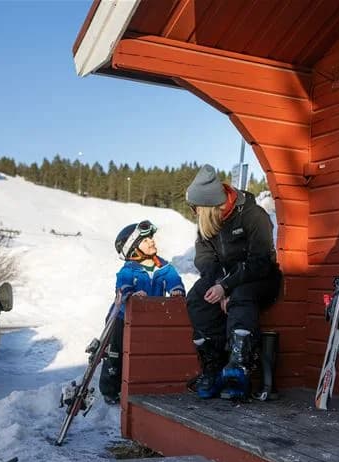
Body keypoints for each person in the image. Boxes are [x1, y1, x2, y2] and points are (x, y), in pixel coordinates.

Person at [185, 164, 282, 400]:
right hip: (225, 280)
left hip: (261, 278)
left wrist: (226, 287)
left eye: (196, 208)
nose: (194, 213)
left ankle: (239, 367)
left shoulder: (253, 215)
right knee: (197, 297)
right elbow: (205, 260)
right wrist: (220, 283)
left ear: (208, 205)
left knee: (241, 295)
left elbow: (260, 262)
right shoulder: (207, 225)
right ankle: (214, 366)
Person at [99, 219, 185, 404]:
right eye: (145, 240)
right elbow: (122, 287)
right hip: (122, 318)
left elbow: (174, 281)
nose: (152, 241)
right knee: (116, 353)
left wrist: (176, 290)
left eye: (151, 238)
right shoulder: (128, 271)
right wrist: (131, 294)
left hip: (150, 320)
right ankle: (110, 389)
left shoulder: (164, 267)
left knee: (146, 352)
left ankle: (144, 383)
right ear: (133, 249)